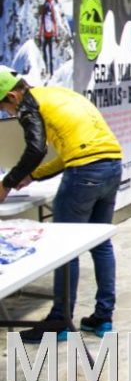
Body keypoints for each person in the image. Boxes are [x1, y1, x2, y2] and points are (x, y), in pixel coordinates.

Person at [0, 66, 123, 341]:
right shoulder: (56, 94)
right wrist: (33, 175)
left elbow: (36, 148)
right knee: (101, 243)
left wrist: (6, 183)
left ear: (12, 96)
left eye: (4, 108)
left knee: (65, 249)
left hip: (84, 173)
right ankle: (103, 317)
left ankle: (59, 321)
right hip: (112, 165)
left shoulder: (29, 105)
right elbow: (69, 154)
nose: (8, 113)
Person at [39, 0, 58, 76]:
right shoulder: (51, 7)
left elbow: (42, 23)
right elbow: (55, 22)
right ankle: (51, 72)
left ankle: (46, 69)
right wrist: (56, 35)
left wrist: (40, 35)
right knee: (50, 53)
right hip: (51, 35)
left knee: (44, 51)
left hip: (45, 35)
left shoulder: (44, 7)